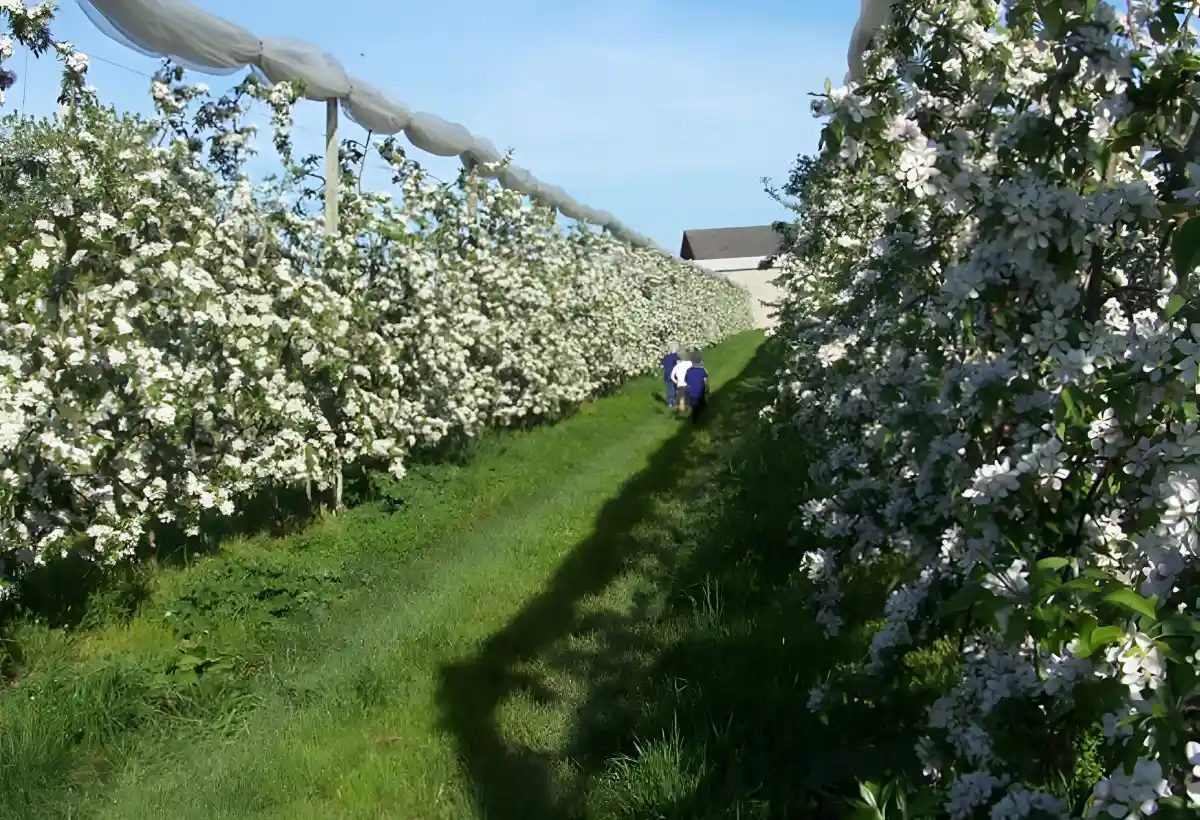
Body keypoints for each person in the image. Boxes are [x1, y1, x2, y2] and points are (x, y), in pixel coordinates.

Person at [684, 350, 709, 423]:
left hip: (691, 392)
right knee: (698, 405)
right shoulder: (702, 370)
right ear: (701, 362)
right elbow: (706, 380)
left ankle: (695, 416)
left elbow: (686, 380)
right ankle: (697, 418)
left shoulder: (688, 371)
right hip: (700, 391)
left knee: (695, 405)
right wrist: (707, 388)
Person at [670, 349, 692, 413]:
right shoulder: (689, 363)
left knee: (682, 399)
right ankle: (689, 410)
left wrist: (676, 382)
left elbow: (672, 376)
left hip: (680, 384)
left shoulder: (677, 366)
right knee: (689, 397)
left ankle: (682, 412)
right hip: (688, 383)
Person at [660, 343, 680, 409]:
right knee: (675, 388)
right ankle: (675, 401)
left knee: (669, 389)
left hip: (667, 376)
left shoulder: (666, 357)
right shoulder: (676, 356)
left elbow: (661, 364)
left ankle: (670, 403)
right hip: (674, 376)